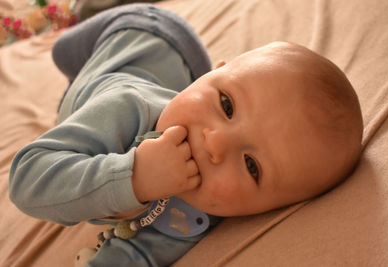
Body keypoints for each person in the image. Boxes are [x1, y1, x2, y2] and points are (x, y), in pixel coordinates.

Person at [8, 3, 363, 267]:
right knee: (62, 51)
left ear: (266, 208)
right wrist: (133, 178)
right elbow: (27, 180)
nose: (215, 144)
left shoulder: (198, 213)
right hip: (140, 32)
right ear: (216, 73)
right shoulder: (125, 108)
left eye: (252, 166)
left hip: (177, 71)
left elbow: (139, 253)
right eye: (226, 104)